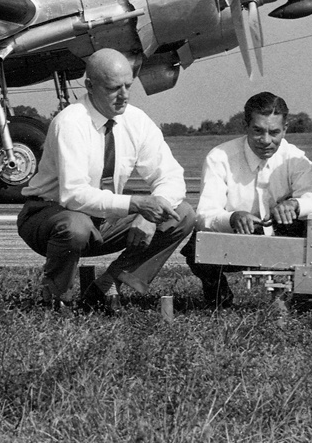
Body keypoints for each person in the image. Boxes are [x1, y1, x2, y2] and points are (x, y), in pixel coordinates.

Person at [17, 48, 197, 313]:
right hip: (50, 215)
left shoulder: (137, 121)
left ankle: (107, 286)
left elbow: (171, 176)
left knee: (180, 215)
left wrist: (149, 213)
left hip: (103, 220)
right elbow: (74, 196)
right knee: (75, 225)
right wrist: (136, 205)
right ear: (89, 85)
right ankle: (55, 299)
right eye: (113, 88)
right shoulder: (71, 123)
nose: (123, 95)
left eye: (128, 85)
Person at [182, 91, 312, 309]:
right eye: (258, 131)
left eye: (274, 132)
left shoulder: (294, 157)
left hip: (280, 233)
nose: (266, 140)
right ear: (245, 125)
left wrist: (296, 205)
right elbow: (204, 214)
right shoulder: (219, 157)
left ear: (285, 129)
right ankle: (217, 294)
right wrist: (233, 218)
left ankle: (302, 296)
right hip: (236, 236)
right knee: (196, 248)